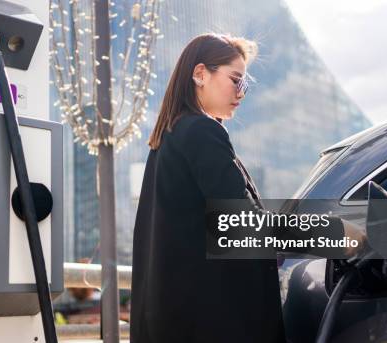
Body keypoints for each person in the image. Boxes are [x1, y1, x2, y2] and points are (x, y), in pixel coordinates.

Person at [129, 33, 366, 343]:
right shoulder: (201, 131)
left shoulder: (169, 137)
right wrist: (333, 233)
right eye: (236, 80)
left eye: (245, 85)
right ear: (200, 74)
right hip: (214, 325)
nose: (241, 93)